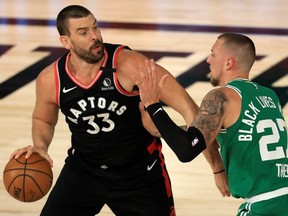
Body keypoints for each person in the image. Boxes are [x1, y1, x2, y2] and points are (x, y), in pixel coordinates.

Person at [9, 5, 227, 216]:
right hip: (84, 171)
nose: (94, 36)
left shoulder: (129, 64)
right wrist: (40, 146)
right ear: (65, 41)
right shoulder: (51, 79)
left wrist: (217, 168)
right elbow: (43, 120)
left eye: (95, 27)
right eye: (83, 32)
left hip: (139, 174)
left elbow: (189, 109)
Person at [135, 33, 288, 215]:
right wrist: (157, 128)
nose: (208, 60)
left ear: (228, 63)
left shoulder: (221, 97)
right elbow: (214, 130)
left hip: (264, 206)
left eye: (213, 54)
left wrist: (154, 106)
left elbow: (187, 150)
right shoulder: (268, 96)